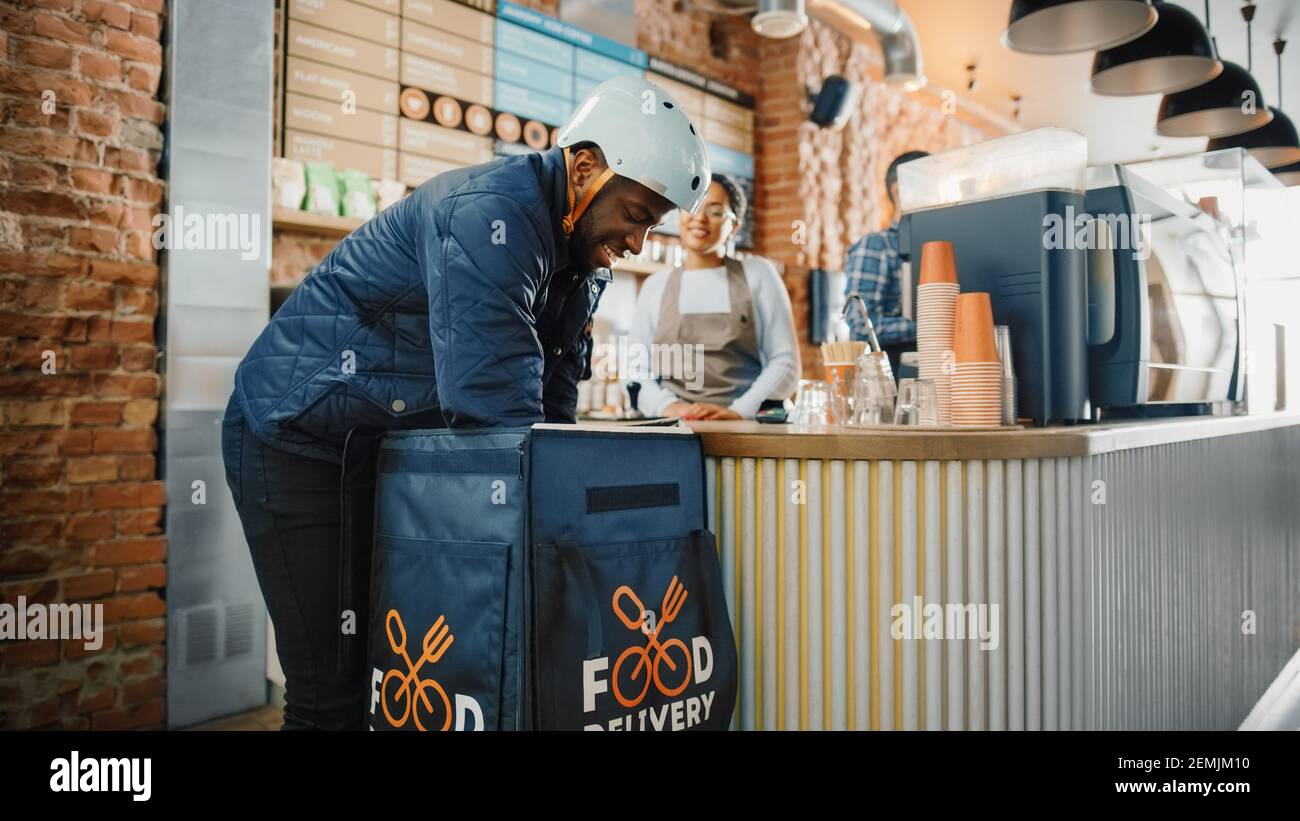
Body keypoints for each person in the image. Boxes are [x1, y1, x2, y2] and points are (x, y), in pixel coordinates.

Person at [221, 77, 709, 730]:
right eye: (640, 214)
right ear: (586, 166)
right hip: (295, 435)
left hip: (378, 447)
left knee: (389, 664)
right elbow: (495, 412)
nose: (640, 242)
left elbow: (550, 418)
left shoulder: (578, 259)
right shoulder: (489, 215)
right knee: (330, 686)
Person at [629, 173, 799, 420]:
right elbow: (635, 367)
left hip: (745, 429)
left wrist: (739, 411)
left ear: (735, 227)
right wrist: (669, 407)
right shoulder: (656, 286)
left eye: (716, 211)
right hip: (676, 428)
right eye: (693, 207)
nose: (700, 218)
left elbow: (786, 363)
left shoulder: (758, 274)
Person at [843, 150, 929, 376]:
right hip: (890, 381)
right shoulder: (876, 246)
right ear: (899, 190)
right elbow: (861, 325)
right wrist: (932, 327)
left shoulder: (941, 247)